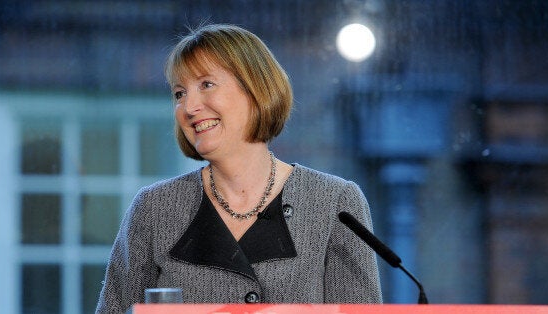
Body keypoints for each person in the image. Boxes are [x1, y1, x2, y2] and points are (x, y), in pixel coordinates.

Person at [96, 23, 382, 313]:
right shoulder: (153, 208)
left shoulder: (335, 202)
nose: (189, 107)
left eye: (206, 84)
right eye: (179, 94)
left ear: (255, 90)